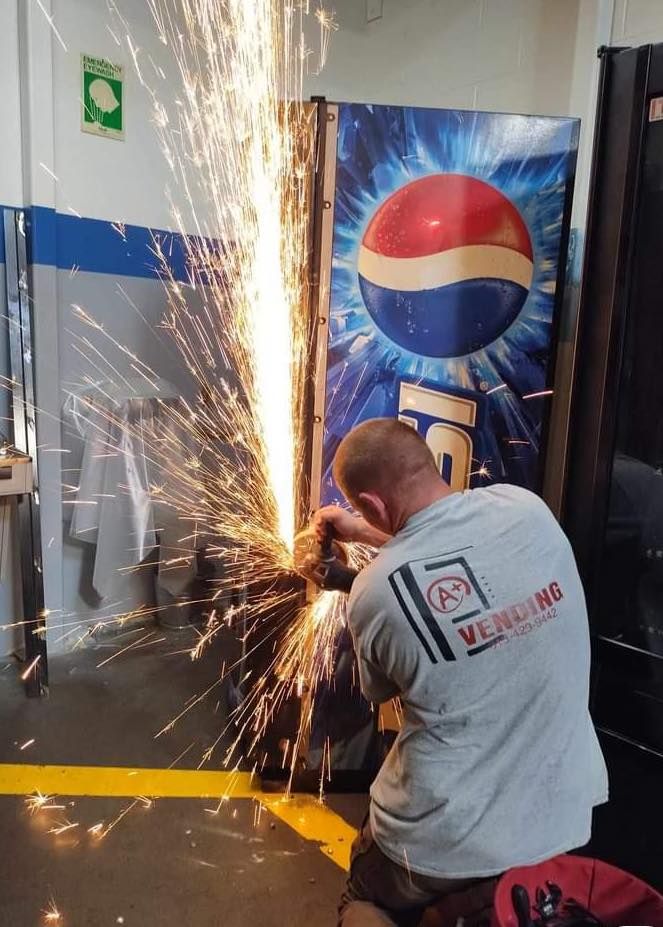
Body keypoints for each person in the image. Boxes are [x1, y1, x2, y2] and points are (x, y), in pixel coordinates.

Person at [312, 418, 609, 927]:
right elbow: (454, 546)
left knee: (362, 901)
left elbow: (383, 689)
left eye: (367, 512)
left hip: (445, 839)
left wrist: (346, 579)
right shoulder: (525, 508)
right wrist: (367, 534)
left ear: (375, 504)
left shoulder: (375, 592)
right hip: (562, 812)